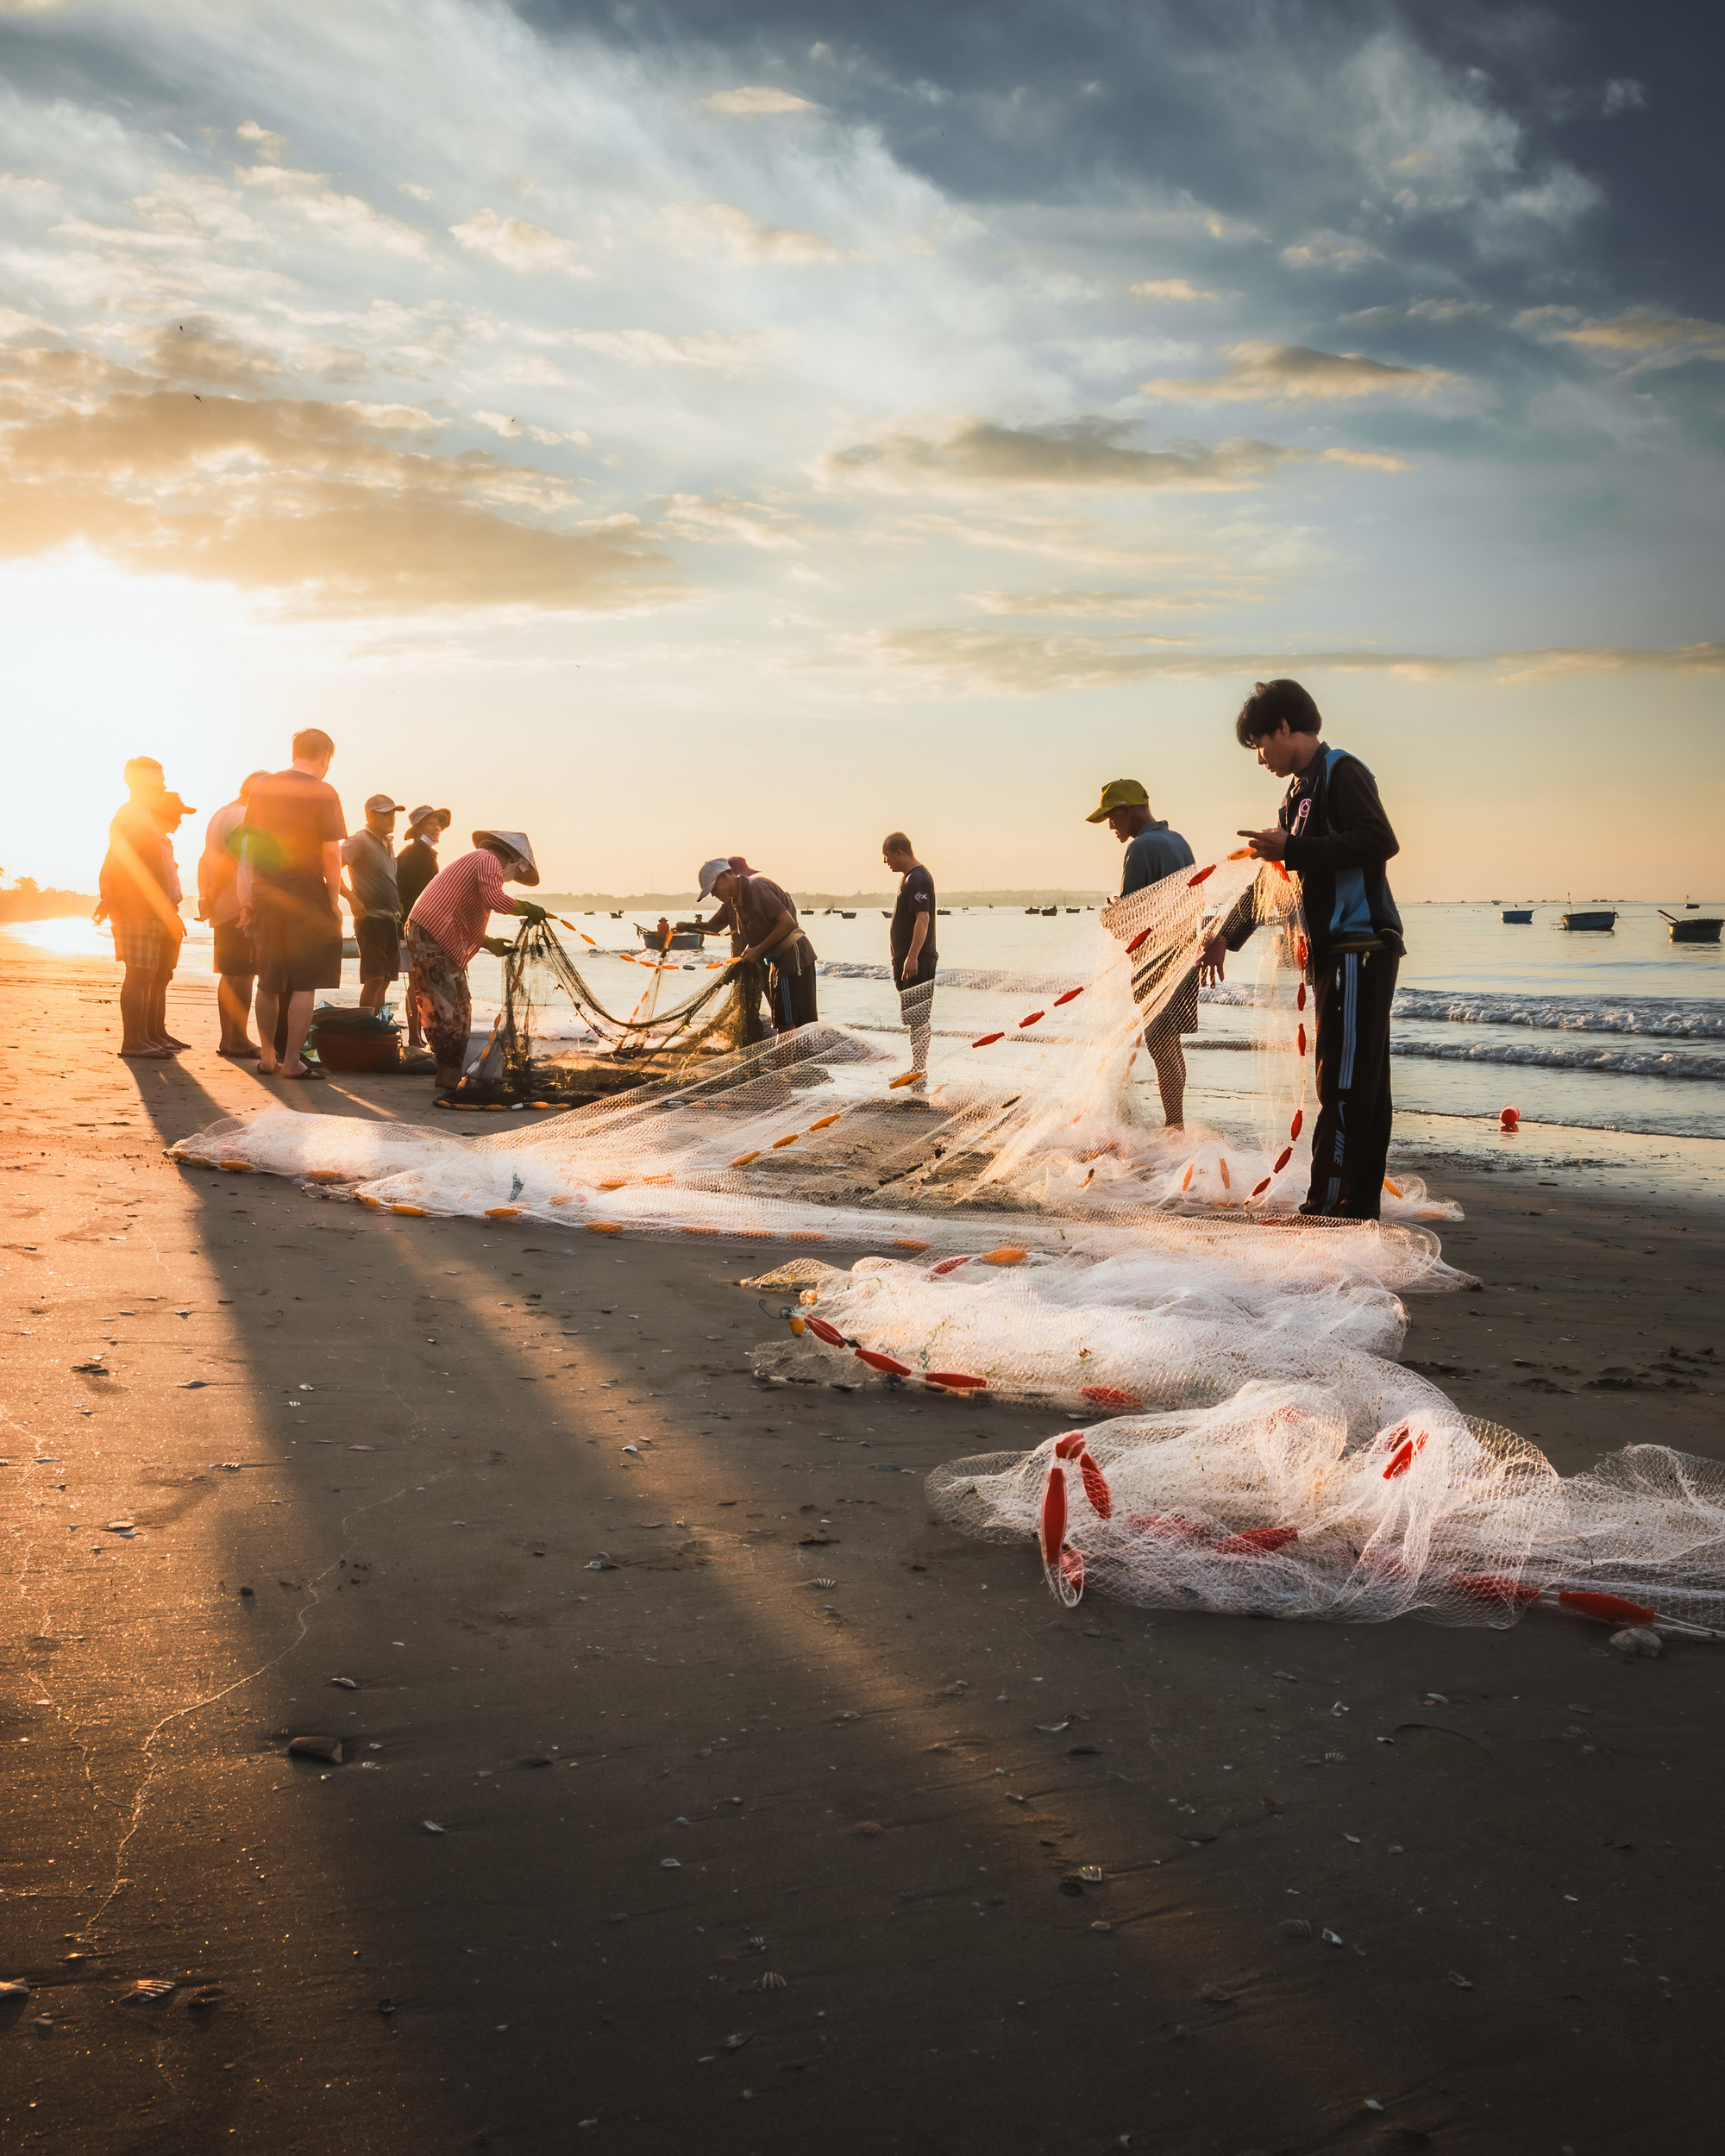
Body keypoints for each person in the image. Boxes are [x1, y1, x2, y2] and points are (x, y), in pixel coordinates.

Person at [1199, 678, 1405, 1220]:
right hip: (1334, 955)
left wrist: (1296, 847)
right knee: (1356, 1081)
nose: (1260, 757)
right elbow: (1276, 880)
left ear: (1286, 727)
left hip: (1360, 945)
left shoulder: (1342, 772)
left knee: (1342, 1080)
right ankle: (1354, 1203)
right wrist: (1226, 934)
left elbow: (1380, 840)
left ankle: (1330, 1204)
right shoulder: (1297, 794)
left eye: (1261, 743)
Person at [1087, 778, 1197, 1126]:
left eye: (1112, 816)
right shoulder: (1178, 841)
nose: (1110, 825)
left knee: (1160, 1043)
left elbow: (1129, 921)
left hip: (1157, 959)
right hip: (1185, 953)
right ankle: (1176, 1121)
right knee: (1171, 1042)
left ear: (1127, 810)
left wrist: (1110, 913)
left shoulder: (1140, 849)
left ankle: (1174, 1125)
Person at [238, 729, 346, 1081]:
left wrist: (250, 896)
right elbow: (331, 851)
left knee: (268, 981)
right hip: (307, 894)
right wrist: (333, 900)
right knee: (304, 983)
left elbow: (252, 847)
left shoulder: (263, 787)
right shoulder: (325, 791)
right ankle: (292, 1061)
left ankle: (268, 1056)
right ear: (326, 756)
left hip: (267, 892)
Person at [406, 830, 547, 1093]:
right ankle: (449, 1074)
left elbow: (459, 911)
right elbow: (494, 900)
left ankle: (448, 1072)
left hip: (431, 932)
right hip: (429, 932)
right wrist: (528, 908)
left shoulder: (480, 862)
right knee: (449, 1006)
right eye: (518, 872)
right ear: (516, 860)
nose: (513, 877)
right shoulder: (488, 859)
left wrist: (488, 942)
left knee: (454, 1004)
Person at [95, 756, 186, 1059]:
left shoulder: (141, 815)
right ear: (137, 782)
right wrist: (164, 911)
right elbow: (133, 869)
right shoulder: (132, 816)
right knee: (140, 975)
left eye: (162, 778)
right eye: (156, 779)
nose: (162, 784)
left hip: (146, 908)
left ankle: (145, 1037)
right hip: (137, 909)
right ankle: (133, 1041)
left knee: (148, 975)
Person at [692, 858, 818, 1035]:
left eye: (713, 889)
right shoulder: (736, 902)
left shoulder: (757, 888)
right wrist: (741, 960)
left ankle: (788, 1062)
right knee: (786, 1020)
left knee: (789, 1023)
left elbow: (787, 923)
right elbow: (753, 939)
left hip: (792, 957)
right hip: (778, 961)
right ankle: (794, 1059)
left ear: (725, 877)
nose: (713, 895)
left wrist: (757, 951)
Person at [198, 770, 271, 1057]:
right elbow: (232, 861)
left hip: (221, 906)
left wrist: (206, 896)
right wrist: (219, 894)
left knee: (230, 974)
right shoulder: (244, 817)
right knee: (243, 974)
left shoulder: (220, 814)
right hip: (239, 904)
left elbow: (205, 858)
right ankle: (237, 1038)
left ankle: (229, 1038)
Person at [342, 794, 405, 1014]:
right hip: (371, 920)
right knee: (374, 978)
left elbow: (387, 878)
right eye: (385, 814)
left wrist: (397, 902)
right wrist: (351, 898)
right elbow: (330, 867)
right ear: (369, 815)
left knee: (386, 979)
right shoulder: (359, 840)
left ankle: (375, 1026)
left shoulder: (387, 842)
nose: (392, 818)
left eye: (393, 814)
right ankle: (365, 1029)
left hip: (391, 920)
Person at [394, 806, 451, 1050]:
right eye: (431, 823)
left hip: (416, 923)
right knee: (417, 983)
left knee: (417, 982)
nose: (437, 826)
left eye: (439, 823)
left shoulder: (424, 853)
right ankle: (415, 1036)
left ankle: (419, 1035)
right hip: (415, 925)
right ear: (419, 828)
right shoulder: (416, 854)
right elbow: (427, 893)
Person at [881, 831, 936, 1083]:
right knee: (913, 1017)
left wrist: (912, 957)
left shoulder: (918, 879)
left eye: (887, 855)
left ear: (899, 852)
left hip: (918, 959)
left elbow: (922, 919)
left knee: (919, 1016)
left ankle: (919, 1069)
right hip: (908, 959)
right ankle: (917, 1067)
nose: (886, 862)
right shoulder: (909, 879)